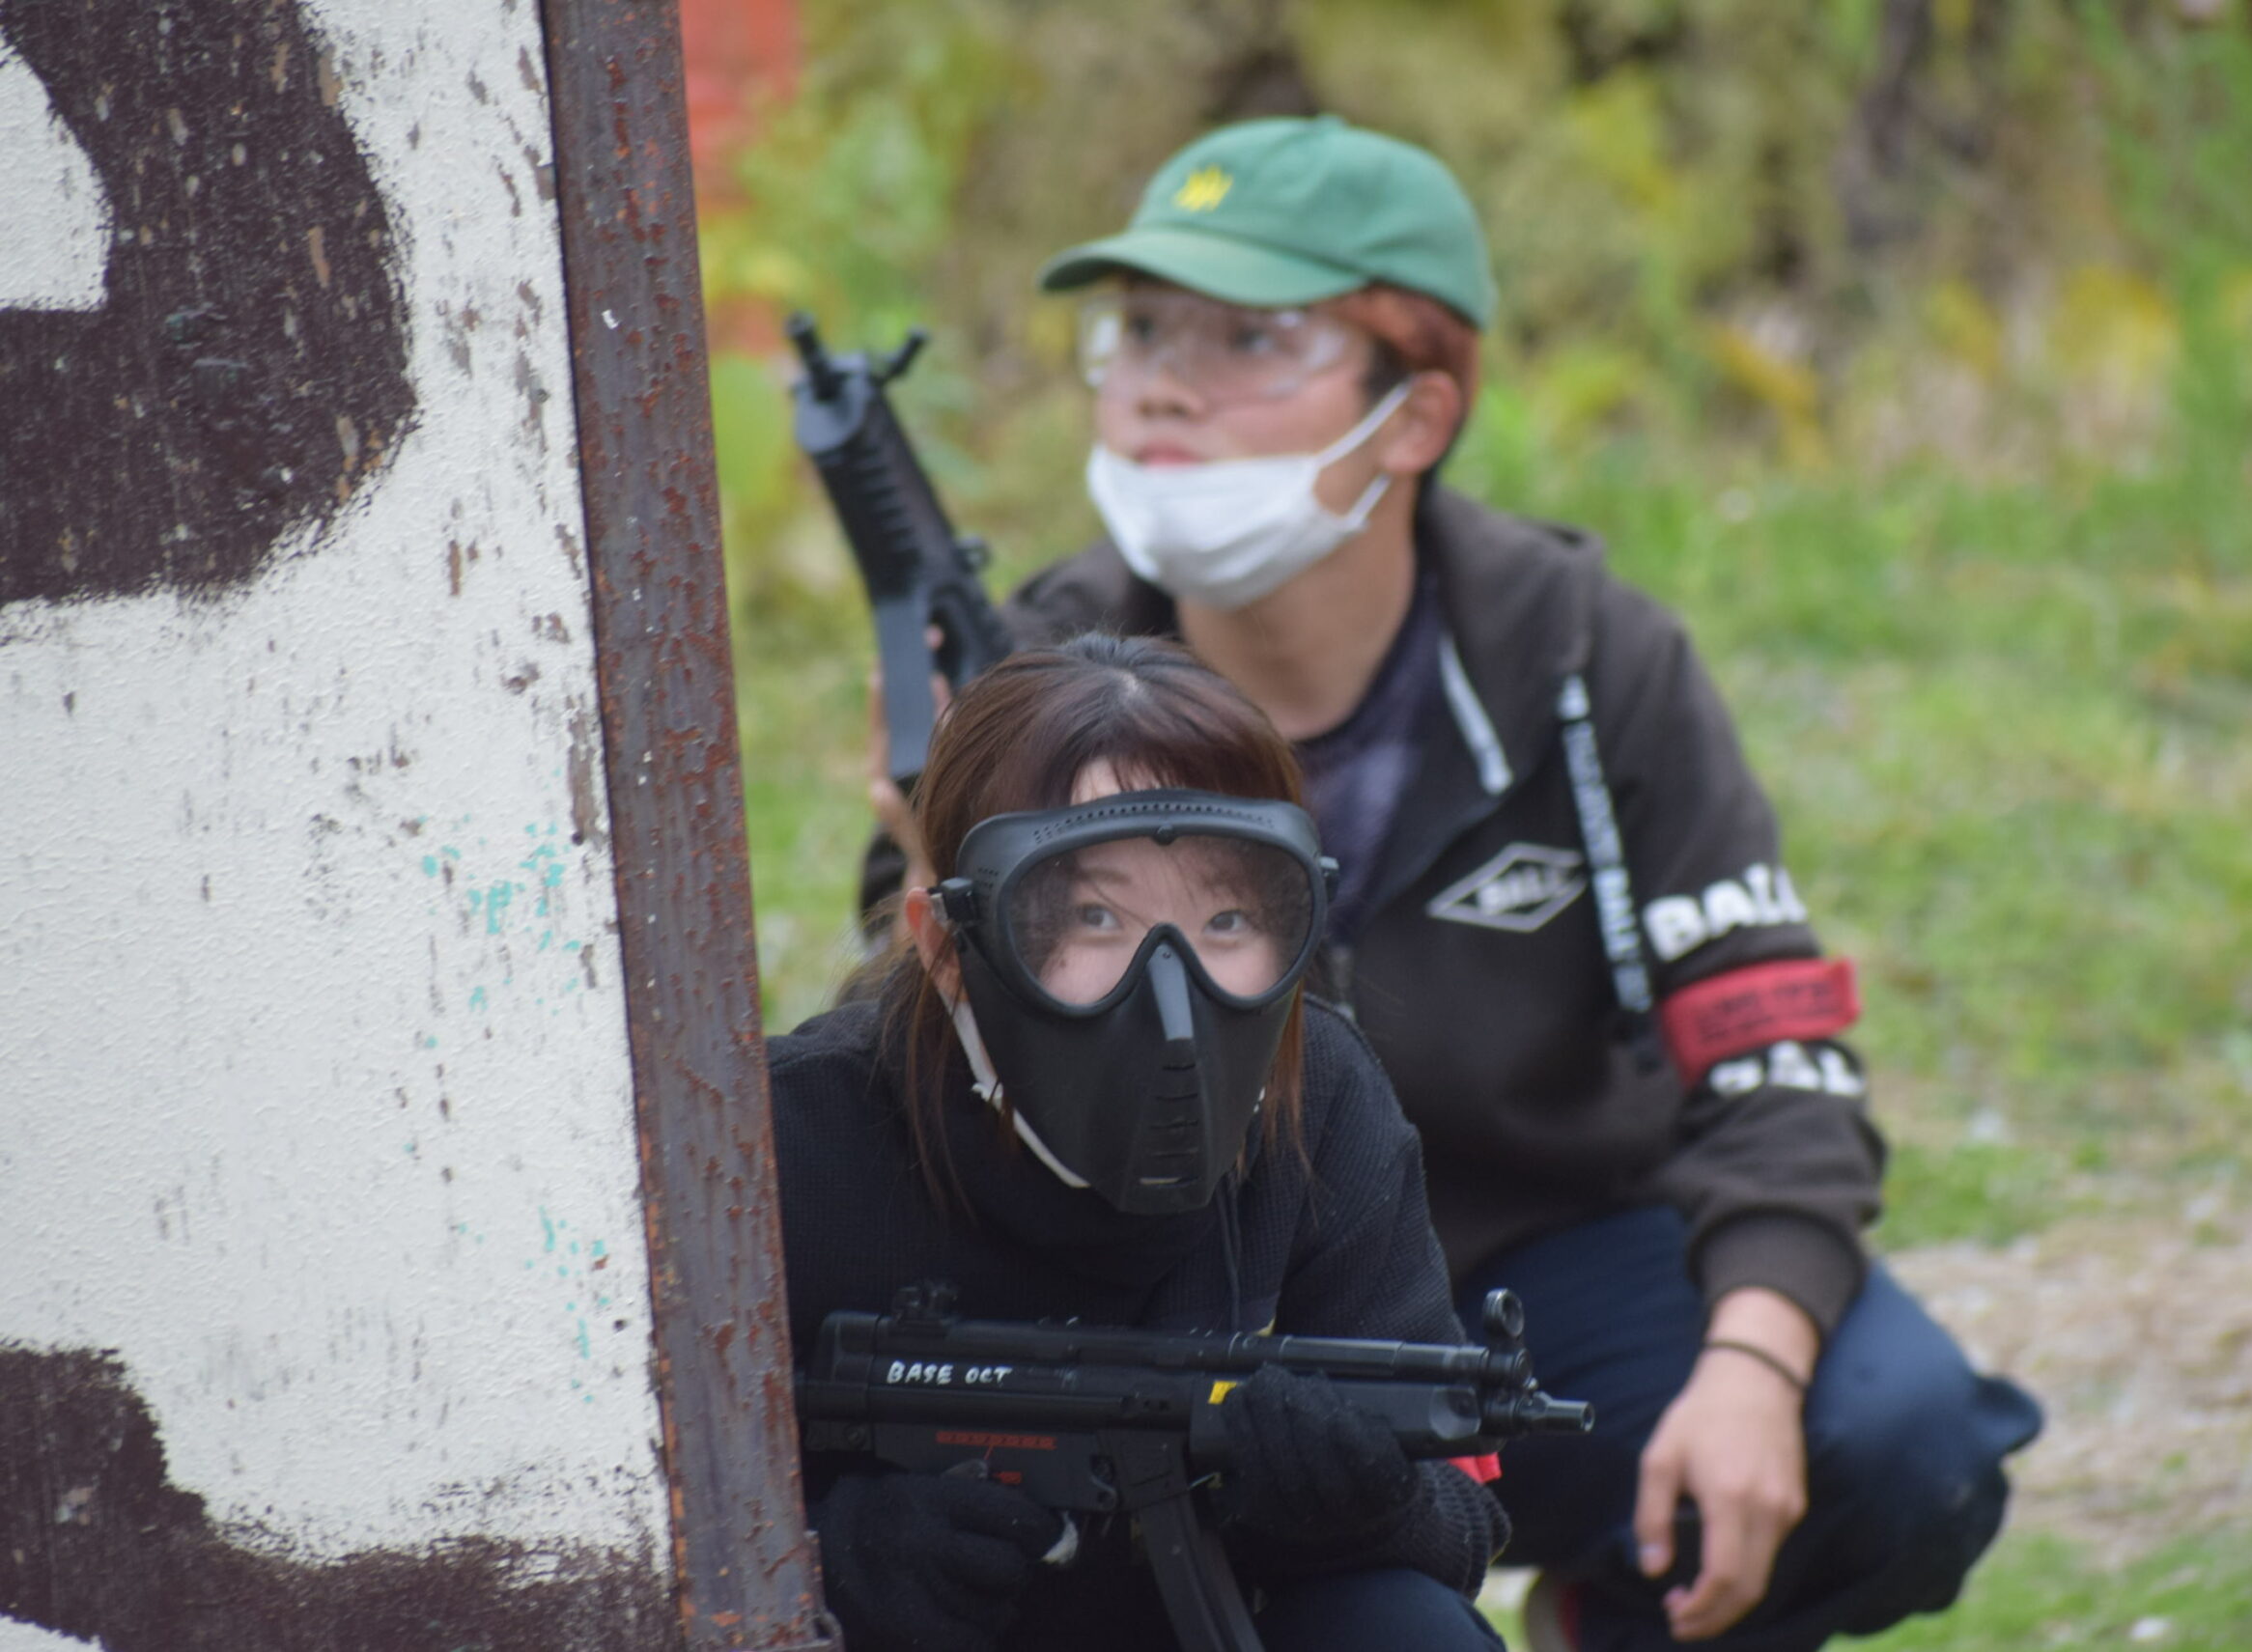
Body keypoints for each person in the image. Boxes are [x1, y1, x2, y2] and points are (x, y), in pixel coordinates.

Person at [860, 115, 2041, 1651]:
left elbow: (1775, 1058)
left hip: (1544, 1288)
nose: (1161, 381)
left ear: (1417, 411)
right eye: (1140, 328)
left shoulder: (1588, 654)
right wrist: (942, 862)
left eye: (1248, 337)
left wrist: (1752, 1367)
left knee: (1896, 1434)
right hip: (1178, 1299)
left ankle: (1612, 1617)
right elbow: (901, 1089)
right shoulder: (1028, 684)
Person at [777, 634, 1514, 1652]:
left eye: (1229, 916)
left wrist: (1364, 1504)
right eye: (1093, 914)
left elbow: (1463, 1520)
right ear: (946, 946)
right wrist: (823, 1562)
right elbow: (623, 1530)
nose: (1173, 991)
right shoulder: (786, 1150)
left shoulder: (1322, 1103)